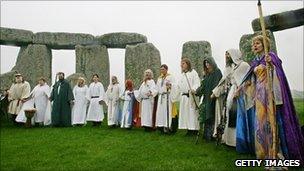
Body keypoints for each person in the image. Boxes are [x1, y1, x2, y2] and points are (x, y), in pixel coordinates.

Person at [242, 35, 304, 163]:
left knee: (273, 121)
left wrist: (271, 64)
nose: (255, 46)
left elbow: (279, 73)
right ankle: (264, 152)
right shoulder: (255, 61)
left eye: (258, 43)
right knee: (261, 122)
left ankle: (278, 153)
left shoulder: (271, 56)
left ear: (265, 44)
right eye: (253, 44)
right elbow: (251, 78)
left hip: (271, 94)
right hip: (260, 95)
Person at [211, 49, 250, 147]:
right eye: (225, 54)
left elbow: (248, 79)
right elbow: (223, 81)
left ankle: (240, 140)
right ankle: (230, 140)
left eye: (228, 54)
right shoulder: (229, 67)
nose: (226, 56)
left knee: (239, 115)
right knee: (230, 115)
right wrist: (216, 92)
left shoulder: (244, 65)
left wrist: (239, 90)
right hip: (231, 92)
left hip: (242, 93)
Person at [196, 58, 222, 141]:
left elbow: (217, 84)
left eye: (208, 62)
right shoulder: (207, 74)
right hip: (206, 98)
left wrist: (213, 94)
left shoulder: (217, 72)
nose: (207, 64)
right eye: (206, 63)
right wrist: (198, 91)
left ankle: (213, 135)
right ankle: (207, 135)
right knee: (207, 115)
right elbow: (203, 86)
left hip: (213, 97)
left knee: (213, 115)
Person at [176, 58, 201, 136]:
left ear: (188, 64)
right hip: (184, 97)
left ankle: (194, 129)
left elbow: (197, 83)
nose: (181, 65)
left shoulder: (193, 73)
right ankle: (188, 129)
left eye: (183, 63)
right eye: (181, 64)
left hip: (190, 96)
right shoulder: (182, 75)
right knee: (186, 114)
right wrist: (171, 86)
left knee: (192, 113)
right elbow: (178, 86)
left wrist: (193, 89)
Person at [155, 64, 177, 134]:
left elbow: (174, 85)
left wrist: (170, 86)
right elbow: (157, 88)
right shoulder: (159, 78)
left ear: (166, 69)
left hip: (167, 96)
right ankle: (161, 127)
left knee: (167, 112)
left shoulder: (170, 77)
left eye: (163, 69)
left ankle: (168, 127)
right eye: (161, 69)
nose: (162, 70)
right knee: (160, 112)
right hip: (161, 97)